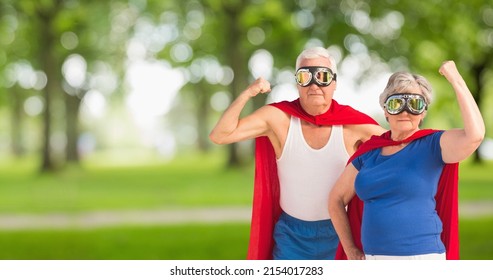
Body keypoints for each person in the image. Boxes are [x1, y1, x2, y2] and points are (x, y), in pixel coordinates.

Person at [209, 46, 385, 260]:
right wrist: (248, 93)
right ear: (297, 83)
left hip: (340, 234)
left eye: (322, 76)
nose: (314, 85)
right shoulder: (279, 119)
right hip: (291, 236)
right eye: (305, 76)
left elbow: (404, 147)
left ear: (334, 83)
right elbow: (220, 135)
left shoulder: (354, 126)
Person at [328, 61, 485, 260]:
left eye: (414, 104)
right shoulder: (369, 153)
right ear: (385, 110)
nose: (405, 111)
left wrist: (455, 79)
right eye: (396, 103)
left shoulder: (432, 144)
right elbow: (336, 199)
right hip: (373, 260)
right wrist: (350, 249)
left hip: (421, 258)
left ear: (423, 112)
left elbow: (475, 136)